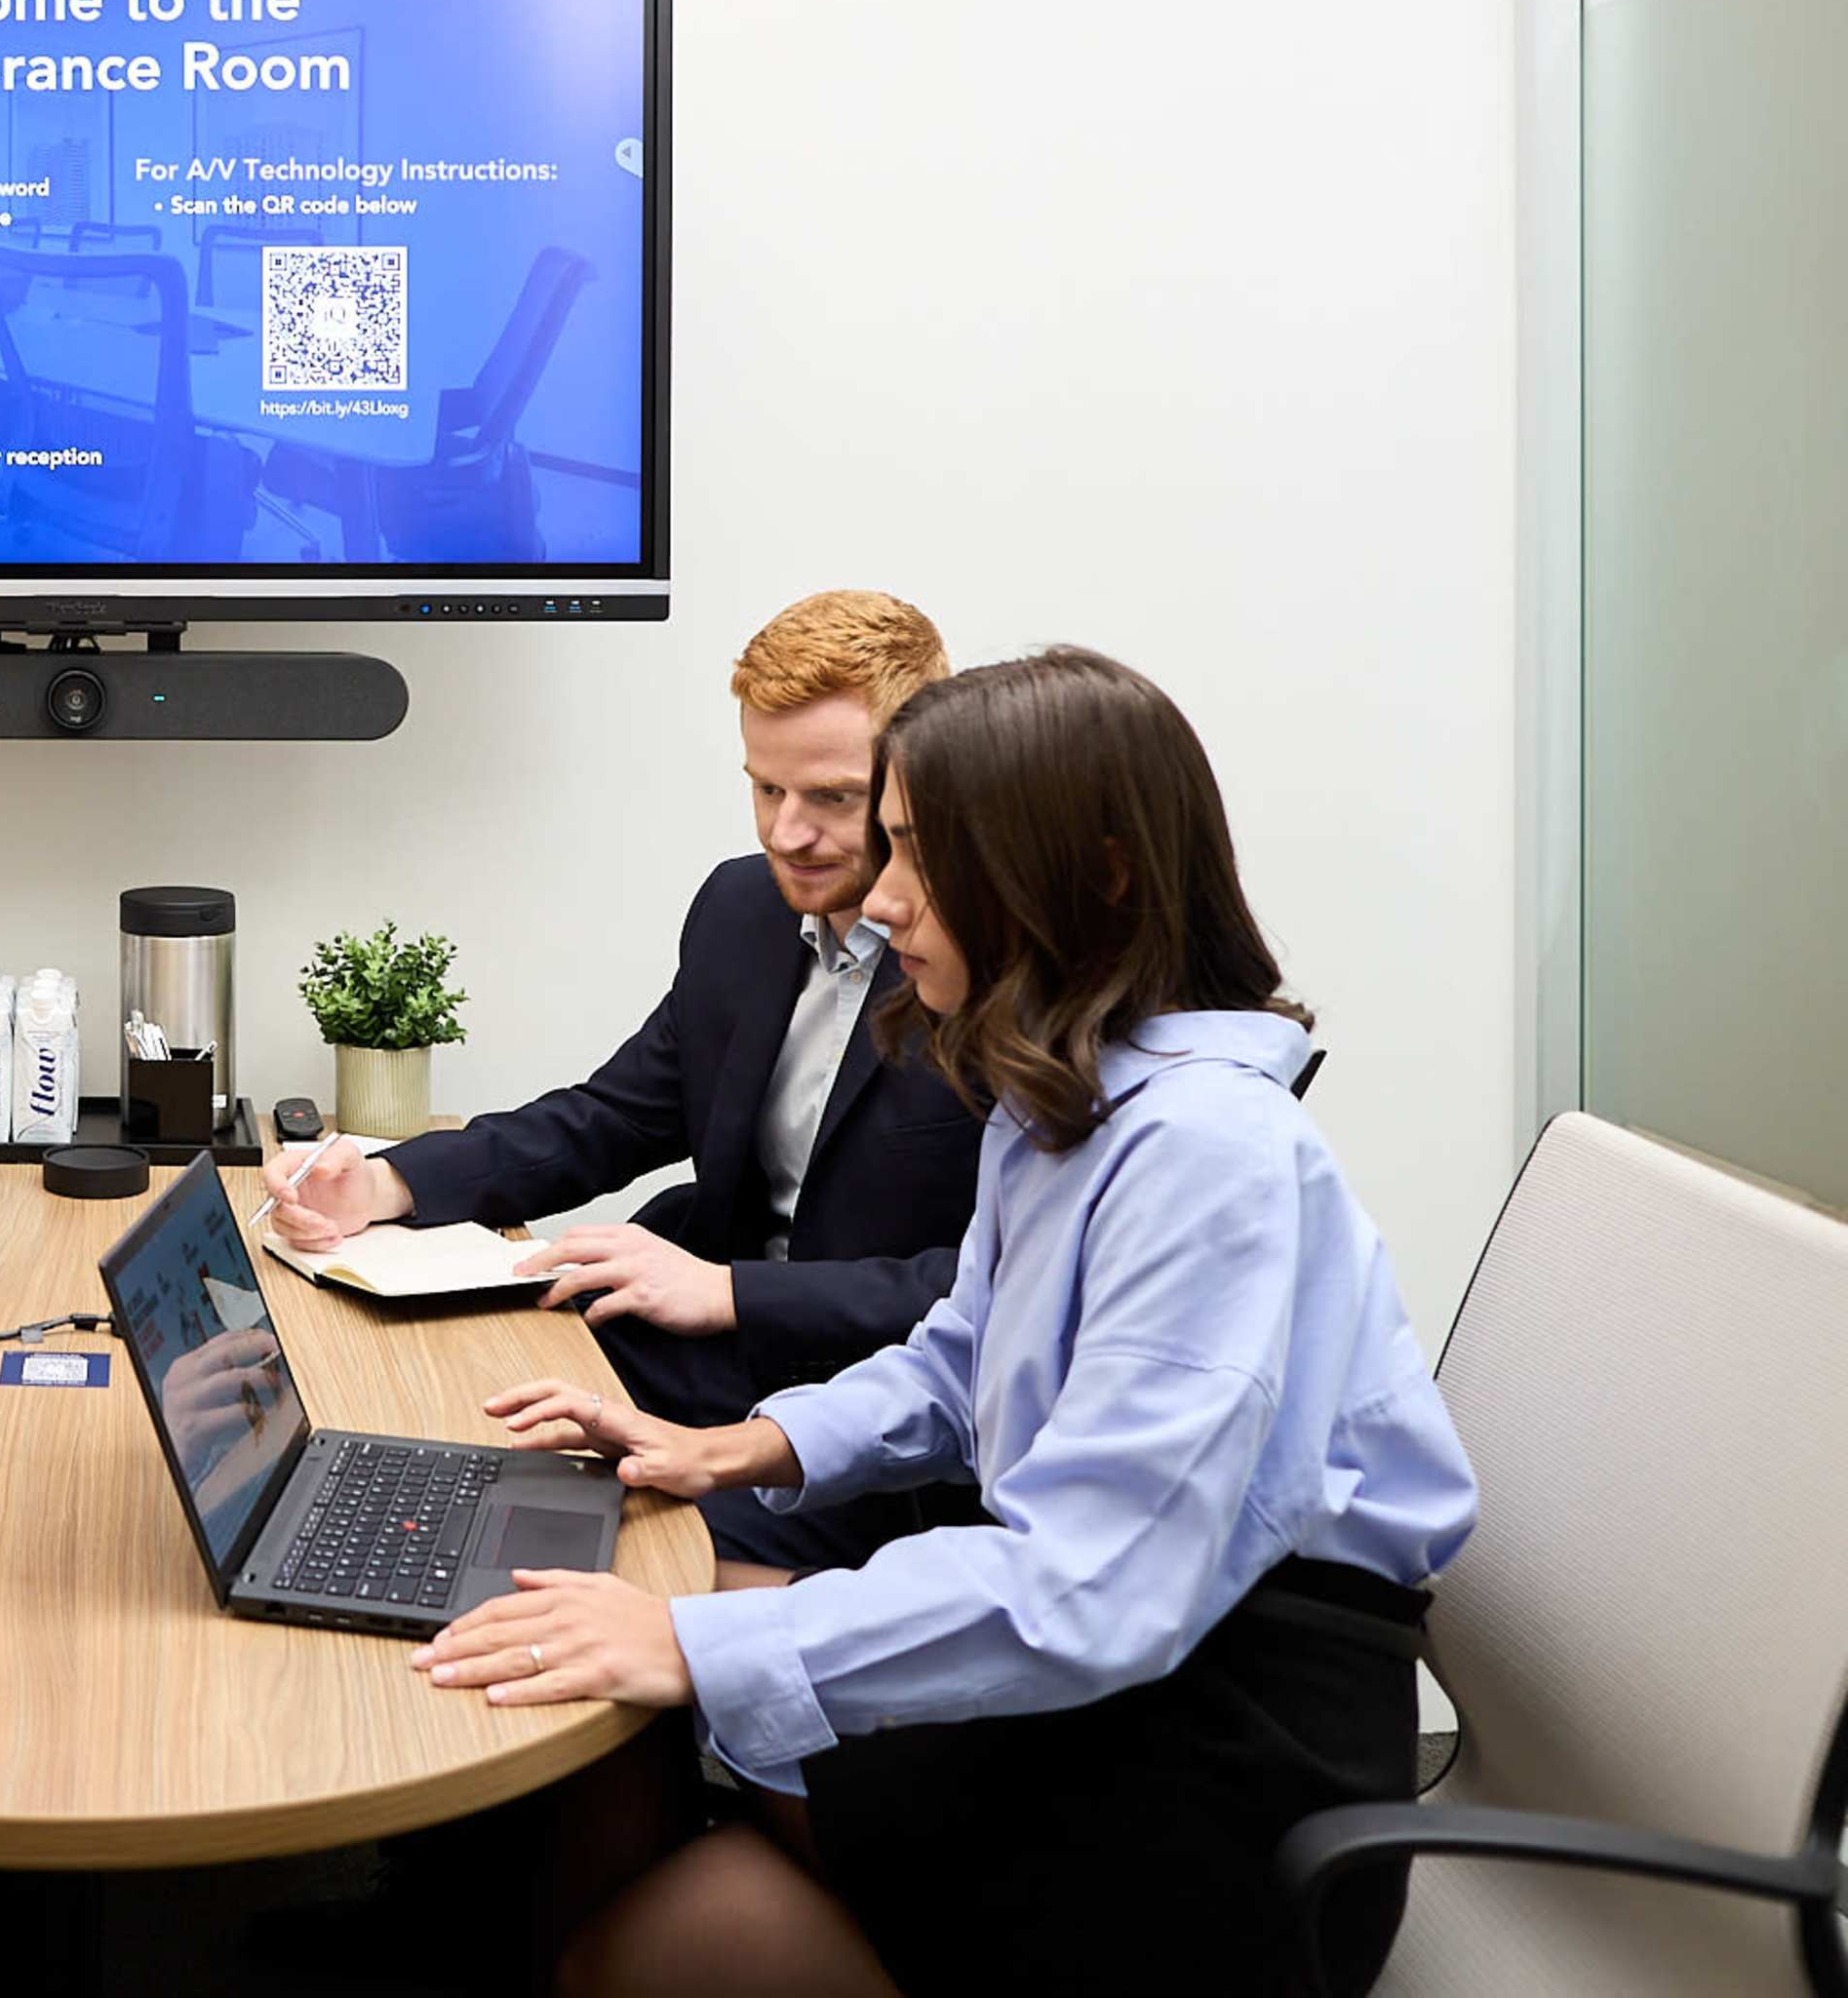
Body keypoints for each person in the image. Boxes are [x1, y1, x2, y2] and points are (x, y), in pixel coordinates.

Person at [416, 646, 1477, 1998]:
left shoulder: (1211, 1151)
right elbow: (965, 1354)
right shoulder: (1070, 1097)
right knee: (623, 1652)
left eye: (922, 853)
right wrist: (737, 1448)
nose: (886, 893)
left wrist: (689, 1639)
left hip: (1217, 1764)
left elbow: (1089, 1589)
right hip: (1140, 1673)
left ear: (1093, 873)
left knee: (647, 1686)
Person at [263, 588, 984, 1576]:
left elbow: (981, 1288)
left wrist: (730, 1293)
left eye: (830, 799)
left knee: (572, 1550)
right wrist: (389, 1182)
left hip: (874, 1421)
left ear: (918, 785)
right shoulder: (742, 907)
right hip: (695, 1352)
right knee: (422, 1429)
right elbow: (610, 1118)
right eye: (765, 789)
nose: (787, 833)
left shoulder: (987, 971)